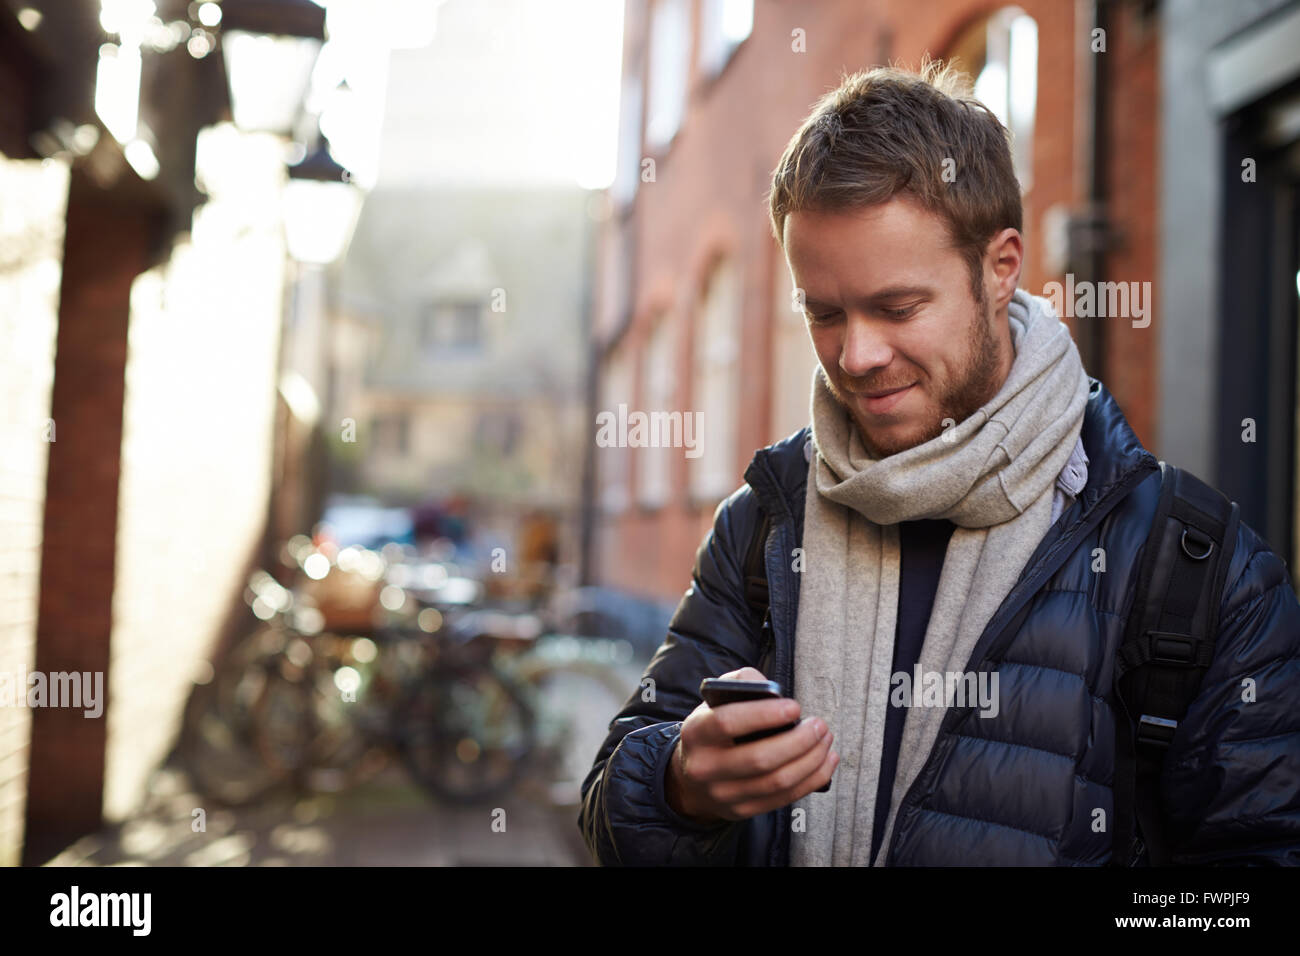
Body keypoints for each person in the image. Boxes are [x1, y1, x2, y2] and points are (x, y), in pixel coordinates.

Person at [577, 61, 1300, 866]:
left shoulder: (1191, 564)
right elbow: (609, 811)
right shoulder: (765, 522)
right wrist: (678, 783)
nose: (855, 355)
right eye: (823, 313)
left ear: (1000, 268)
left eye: (897, 308)